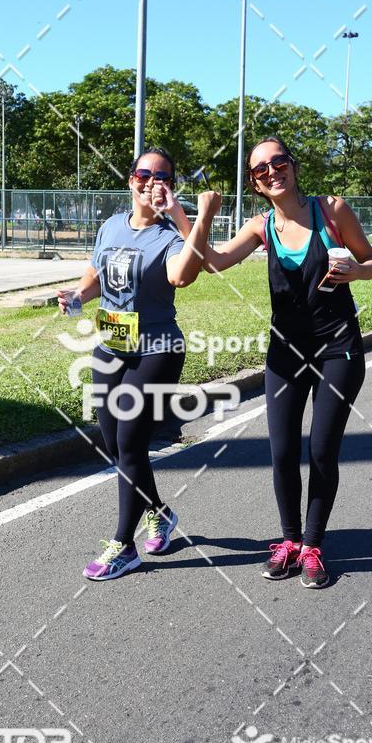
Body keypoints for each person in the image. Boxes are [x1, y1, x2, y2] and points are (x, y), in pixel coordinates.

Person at [202, 136, 372, 588]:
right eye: (260, 170)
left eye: (277, 162)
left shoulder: (332, 210)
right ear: (255, 183)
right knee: (282, 451)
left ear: (293, 166)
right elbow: (214, 263)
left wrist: (354, 272)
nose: (271, 172)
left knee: (321, 450)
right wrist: (197, 215)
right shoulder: (261, 227)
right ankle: (290, 541)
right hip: (286, 352)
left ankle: (314, 546)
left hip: (338, 346)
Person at [58, 148, 220, 581]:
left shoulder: (170, 233)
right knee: (115, 446)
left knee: (130, 442)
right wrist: (76, 297)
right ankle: (160, 513)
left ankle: (124, 546)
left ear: (170, 185)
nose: (152, 181)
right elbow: (96, 277)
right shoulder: (111, 225)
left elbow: (183, 275)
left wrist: (195, 219)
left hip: (157, 349)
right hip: (111, 343)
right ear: (131, 179)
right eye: (144, 173)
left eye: (162, 175)